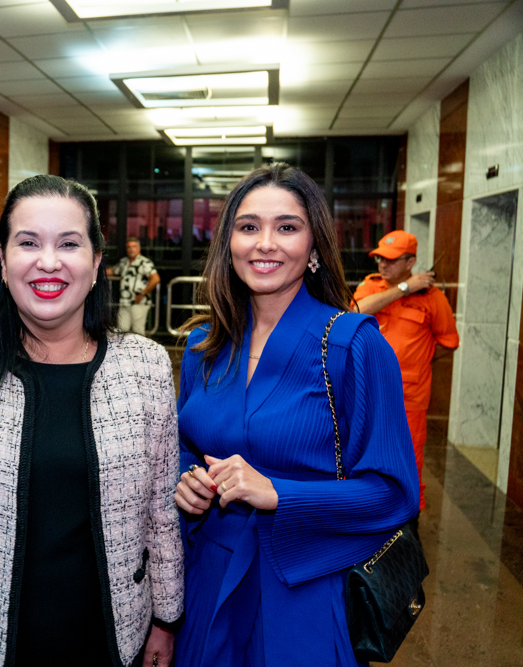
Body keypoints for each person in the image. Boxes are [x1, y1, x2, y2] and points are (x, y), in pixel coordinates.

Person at [0, 175, 184, 667]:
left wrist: (165, 619)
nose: (49, 261)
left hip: (115, 636)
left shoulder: (147, 366)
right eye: (28, 243)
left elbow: (160, 513)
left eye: (69, 244)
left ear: (95, 265)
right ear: (3, 262)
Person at [172, 163, 419, 666]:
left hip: (303, 585)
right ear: (228, 245)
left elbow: (394, 493)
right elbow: (184, 446)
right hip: (209, 576)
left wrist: (280, 493)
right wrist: (186, 481)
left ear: (313, 247)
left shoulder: (352, 346)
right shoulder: (203, 345)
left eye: (287, 227)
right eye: (248, 227)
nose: (265, 243)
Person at [352, 230, 459, 512]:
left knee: (409, 459)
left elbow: (449, 343)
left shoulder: (434, 299)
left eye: (390, 260)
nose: (381, 266)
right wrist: (404, 289)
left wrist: (418, 361)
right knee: (362, 453)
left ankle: (408, 522)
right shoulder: (370, 286)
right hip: (364, 391)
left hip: (408, 395)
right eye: (379, 259)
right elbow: (355, 312)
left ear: (410, 262)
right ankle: (366, 512)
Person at [107, 237, 161, 335]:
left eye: (134, 246)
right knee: (121, 332)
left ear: (139, 248)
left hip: (139, 302)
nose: (131, 249)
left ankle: (139, 350)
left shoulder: (145, 262)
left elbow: (156, 279)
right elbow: (112, 271)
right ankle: (123, 351)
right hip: (124, 301)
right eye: (129, 247)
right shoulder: (124, 262)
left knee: (138, 332)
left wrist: (143, 293)